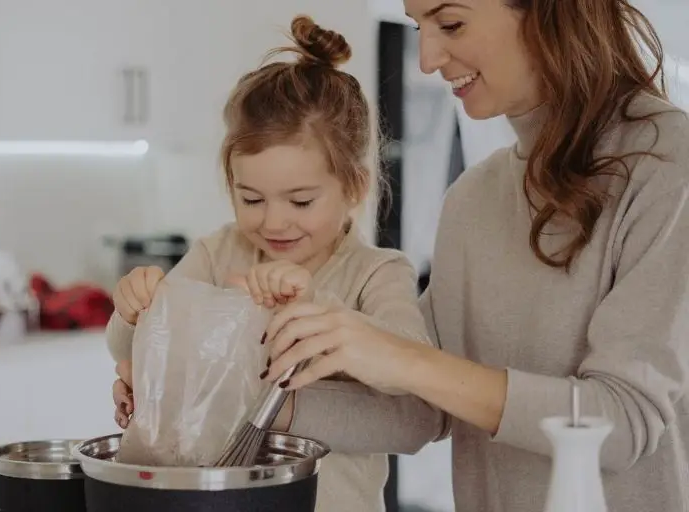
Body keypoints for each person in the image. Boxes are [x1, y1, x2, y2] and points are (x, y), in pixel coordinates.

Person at [262, 1, 689, 511]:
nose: (426, 59)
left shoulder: (669, 167)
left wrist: (403, 357)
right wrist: (231, 390)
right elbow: (420, 413)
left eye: (451, 24)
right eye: (420, 28)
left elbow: (621, 421)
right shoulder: (474, 196)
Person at [105, 15, 440, 512]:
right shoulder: (218, 253)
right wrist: (133, 311)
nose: (274, 222)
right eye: (252, 199)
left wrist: (313, 310)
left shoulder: (377, 274)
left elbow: (412, 405)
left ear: (354, 188)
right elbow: (131, 347)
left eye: (301, 201)